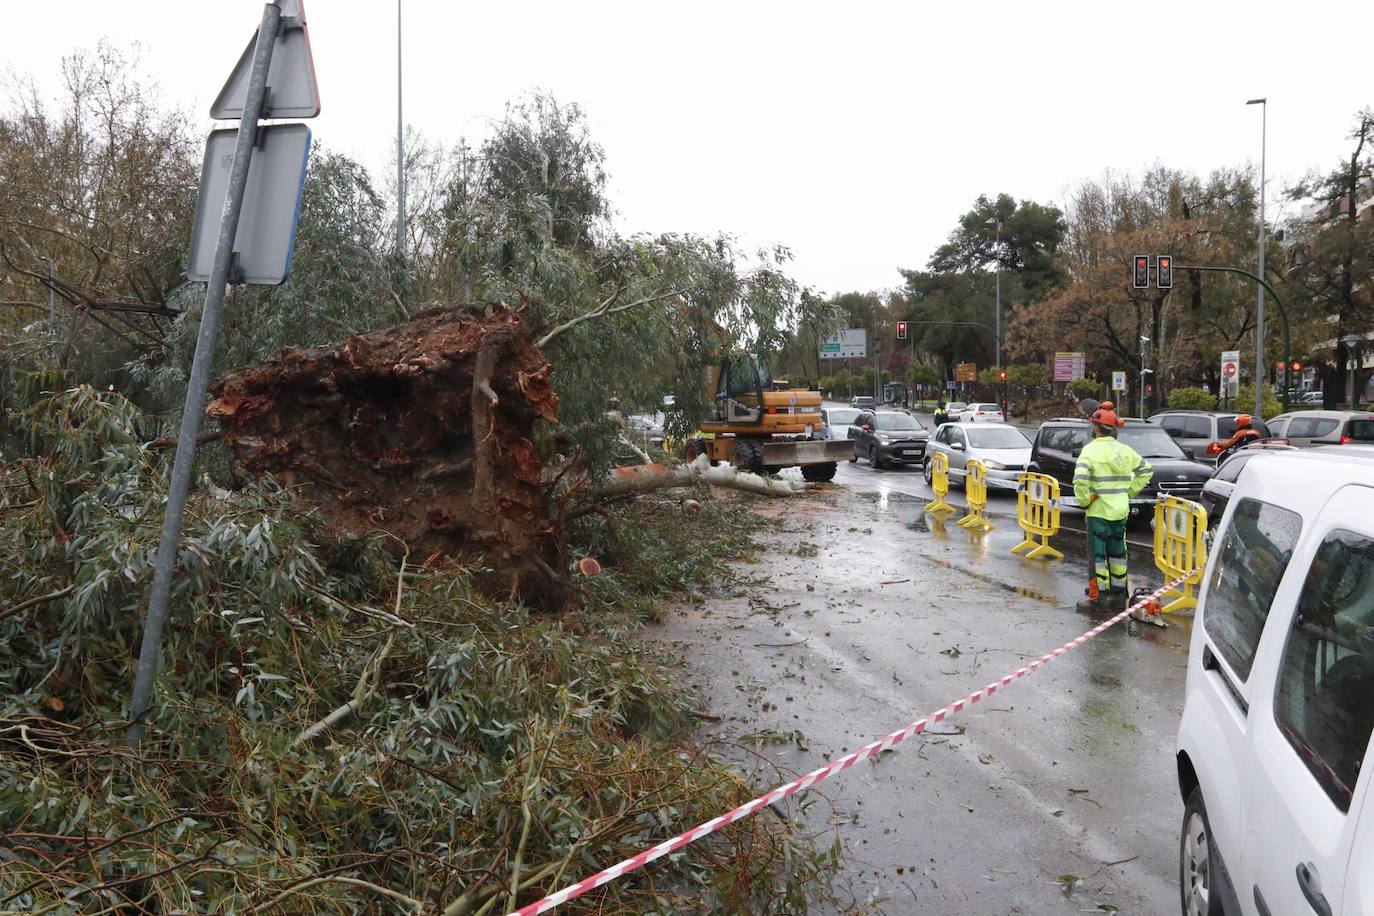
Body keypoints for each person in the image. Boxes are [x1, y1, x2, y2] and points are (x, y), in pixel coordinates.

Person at [1073, 402, 1153, 611]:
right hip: (1120, 512)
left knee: (1098, 558)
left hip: (1098, 513)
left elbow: (1080, 480)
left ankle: (1098, 599)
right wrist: (1129, 492)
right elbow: (1146, 470)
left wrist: (1084, 501)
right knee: (1118, 556)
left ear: (1097, 427)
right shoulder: (1125, 451)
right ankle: (1118, 597)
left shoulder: (1090, 450)